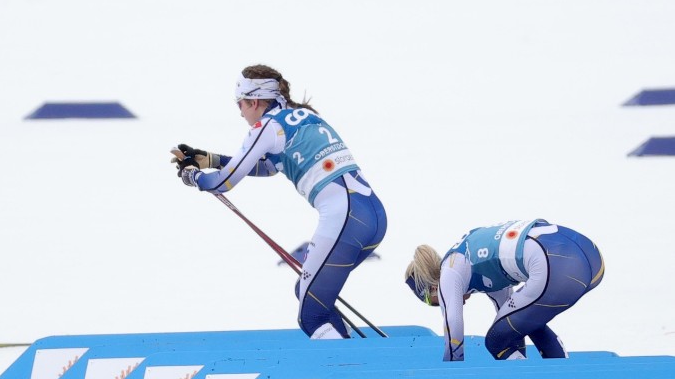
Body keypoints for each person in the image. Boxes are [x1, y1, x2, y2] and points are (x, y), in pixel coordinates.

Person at [171, 64, 387, 339]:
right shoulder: (301, 116)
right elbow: (271, 166)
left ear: (254, 101)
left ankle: (349, 367)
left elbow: (224, 182)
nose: (240, 112)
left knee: (311, 316)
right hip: (373, 217)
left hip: (346, 219)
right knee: (310, 296)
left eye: (240, 104)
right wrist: (211, 159)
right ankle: (358, 357)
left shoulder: (267, 127)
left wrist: (193, 176)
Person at [404, 219, 604, 361]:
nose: (441, 301)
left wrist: (451, 373)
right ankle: (561, 372)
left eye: (432, 301)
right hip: (588, 256)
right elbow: (514, 323)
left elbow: (453, 324)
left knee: (495, 341)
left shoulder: (450, 270)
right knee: (526, 322)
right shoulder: (476, 264)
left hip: (555, 261)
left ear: (432, 287)